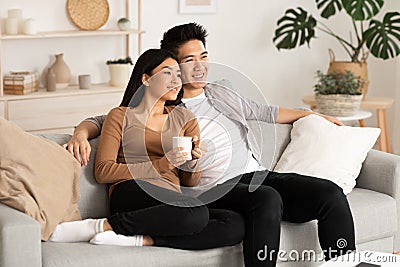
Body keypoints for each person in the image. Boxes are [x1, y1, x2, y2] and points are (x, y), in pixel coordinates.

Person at [66, 24, 355, 266]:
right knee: (266, 198)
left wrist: (315, 114)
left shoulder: (221, 92)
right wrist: (80, 131)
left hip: (256, 175)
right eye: (189, 60)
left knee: (329, 193)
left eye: (203, 56)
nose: (200, 65)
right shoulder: (165, 106)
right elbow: (109, 119)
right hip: (215, 189)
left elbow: (265, 112)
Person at [49, 48, 245, 250]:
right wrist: (161, 165)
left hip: (172, 198)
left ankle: (138, 239)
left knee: (234, 224)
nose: (176, 80)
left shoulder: (185, 118)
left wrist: (193, 162)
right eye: (167, 72)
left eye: (179, 74)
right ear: (146, 79)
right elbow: (103, 171)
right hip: (131, 190)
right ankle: (99, 226)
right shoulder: (120, 116)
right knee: (195, 213)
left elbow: (190, 181)